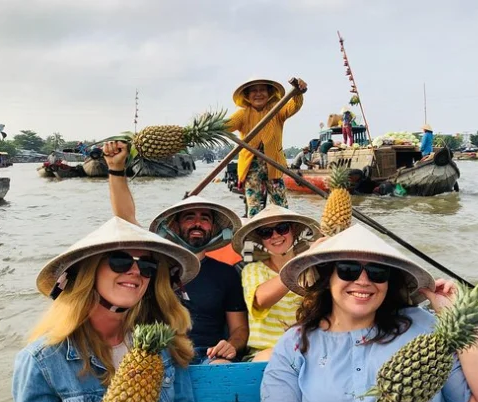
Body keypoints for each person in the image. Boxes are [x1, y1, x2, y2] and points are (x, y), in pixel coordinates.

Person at [257, 224, 478, 402]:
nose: (363, 280)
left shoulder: (423, 328)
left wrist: (454, 314)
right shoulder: (295, 344)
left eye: (377, 272)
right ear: (328, 278)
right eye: (348, 269)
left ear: (389, 281)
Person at [12, 217, 201, 402]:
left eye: (147, 265)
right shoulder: (43, 361)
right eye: (120, 260)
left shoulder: (161, 346)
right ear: (89, 271)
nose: (135, 271)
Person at [102, 142, 249, 365]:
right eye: (190, 217)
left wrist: (231, 345)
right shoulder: (156, 265)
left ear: (213, 228)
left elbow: (239, 329)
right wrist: (116, 169)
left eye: (205, 218)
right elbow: (126, 222)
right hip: (159, 354)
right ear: (175, 226)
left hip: (209, 356)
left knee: (223, 366)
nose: (198, 223)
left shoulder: (226, 273)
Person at [231, 204, 323, 362]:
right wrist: (300, 263)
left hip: (309, 351)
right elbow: (262, 299)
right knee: (274, 356)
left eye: (282, 228)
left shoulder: (312, 269)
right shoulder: (253, 270)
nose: (275, 235)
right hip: (264, 354)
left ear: (293, 230)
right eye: (266, 232)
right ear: (261, 239)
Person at [227, 77, 308, 217]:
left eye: (262, 90)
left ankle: (282, 227)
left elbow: (293, 106)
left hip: (274, 166)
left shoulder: (276, 109)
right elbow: (226, 126)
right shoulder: (243, 114)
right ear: (247, 95)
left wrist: (299, 92)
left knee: (281, 205)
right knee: (254, 208)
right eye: (254, 91)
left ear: (269, 93)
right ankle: (255, 228)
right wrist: (210, 123)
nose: (258, 94)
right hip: (252, 169)